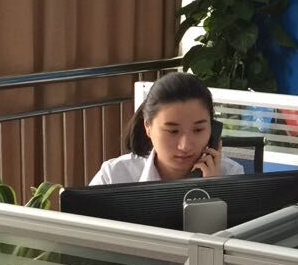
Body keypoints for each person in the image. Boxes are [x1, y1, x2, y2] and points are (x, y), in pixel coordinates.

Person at [90, 72, 244, 184]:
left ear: (212, 129)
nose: (185, 146)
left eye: (198, 130)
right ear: (148, 127)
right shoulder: (114, 176)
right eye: (173, 131)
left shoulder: (231, 174)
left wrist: (213, 189)